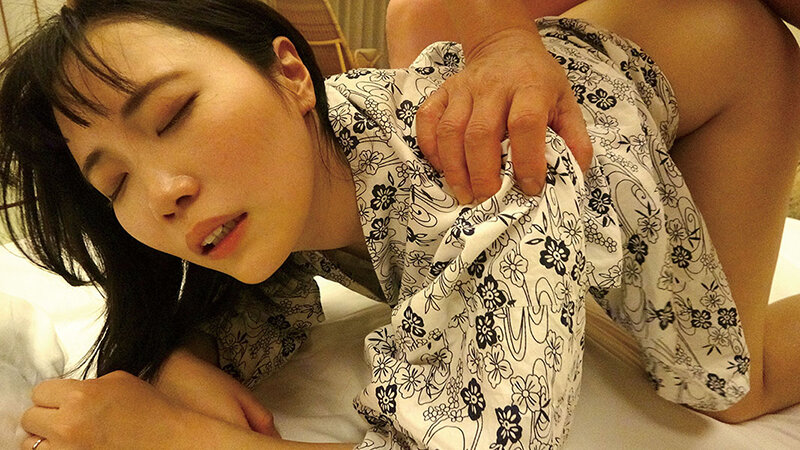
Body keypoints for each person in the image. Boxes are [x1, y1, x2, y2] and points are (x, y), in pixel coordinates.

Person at [1, 0, 798, 448]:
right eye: (114, 181)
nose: (161, 195)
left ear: (291, 74)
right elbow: (258, 307)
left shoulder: (489, 187)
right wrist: (187, 359)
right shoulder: (283, 180)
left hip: (718, 58)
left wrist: (175, 440)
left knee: (724, 389)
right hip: (595, 52)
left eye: (174, 114)